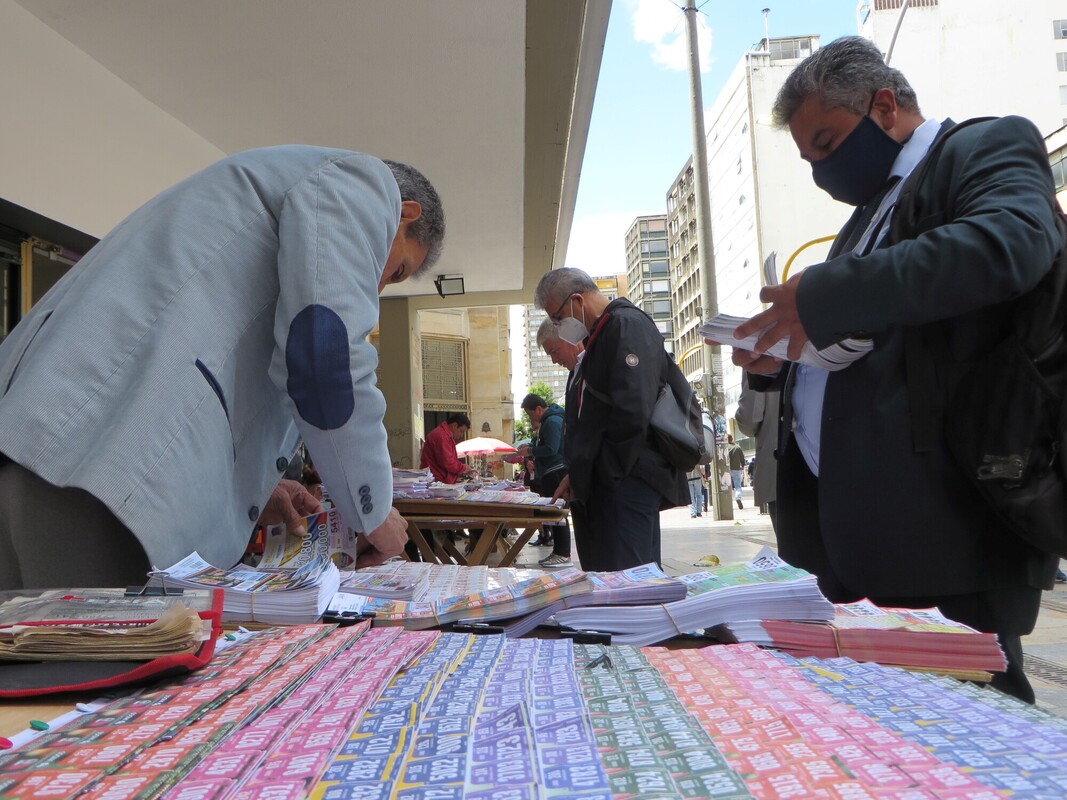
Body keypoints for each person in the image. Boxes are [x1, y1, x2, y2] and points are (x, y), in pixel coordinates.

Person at [726, 37, 1061, 703]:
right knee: (886, 742)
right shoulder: (866, 214)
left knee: (976, 734)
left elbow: (1009, 244)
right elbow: (871, 337)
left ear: (884, 105)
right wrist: (777, 359)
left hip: (943, 527)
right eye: (807, 157)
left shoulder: (981, 148)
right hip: (856, 536)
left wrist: (826, 295)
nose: (821, 169)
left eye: (826, 142)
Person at [0, 146, 445, 589]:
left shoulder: (263, 192)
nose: (379, 287)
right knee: (95, 655)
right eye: (398, 270)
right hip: (97, 473)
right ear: (403, 212)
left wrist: (257, 487)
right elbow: (325, 360)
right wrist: (373, 510)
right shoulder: (362, 183)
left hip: (56, 449)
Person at [535, 267, 687, 572]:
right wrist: (579, 474)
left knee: (629, 585)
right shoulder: (602, 333)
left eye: (557, 317)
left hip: (625, 483)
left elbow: (632, 413)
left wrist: (600, 474)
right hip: (607, 485)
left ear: (577, 300)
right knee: (606, 580)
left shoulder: (626, 325)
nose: (557, 325)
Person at [519, 393, 571, 568]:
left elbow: (551, 448)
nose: (530, 418)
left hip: (556, 472)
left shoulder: (552, 421)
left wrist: (531, 451)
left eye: (529, 414)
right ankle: (558, 551)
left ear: (539, 409)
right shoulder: (548, 422)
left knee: (557, 514)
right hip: (550, 472)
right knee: (553, 514)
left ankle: (563, 553)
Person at [735, 372, 780, 527]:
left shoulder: (759, 350)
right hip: (839, 463)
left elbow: (749, 418)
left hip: (780, 467)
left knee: (793, 546)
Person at [420, 412, 472, 484]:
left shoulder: (444, 435)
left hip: (437, 478)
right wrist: (464, 468)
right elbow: (448, 462)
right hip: (435, 480)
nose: (461, 435)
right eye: (461, 431)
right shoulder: (442, 436)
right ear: (455, 425)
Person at [726, 435, 745, 509]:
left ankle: (727, 502)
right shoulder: (737, 447)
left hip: (727, 470)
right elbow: (742, 458)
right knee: (738, 486)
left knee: (727, 487)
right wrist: (743, 465)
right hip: (736, 469)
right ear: (732, 439)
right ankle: (738, 498)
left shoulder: (725, 447)